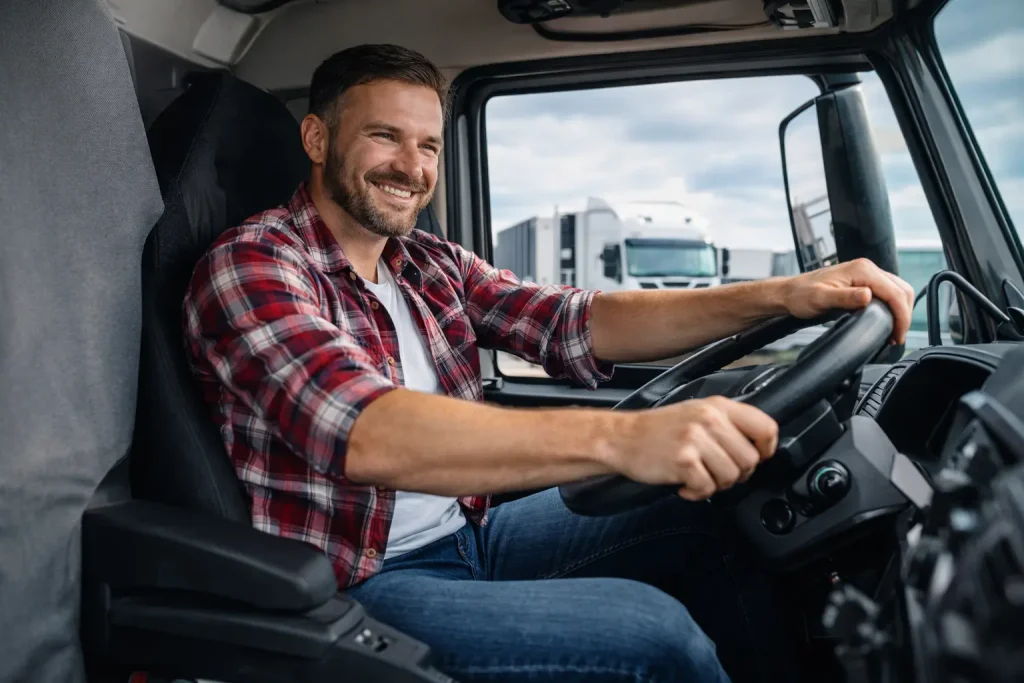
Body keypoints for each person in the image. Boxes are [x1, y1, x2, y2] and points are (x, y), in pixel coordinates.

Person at [182, 44, 915, 683]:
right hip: (362, 581)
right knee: (650, 634)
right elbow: (369, 430)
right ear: (316, 137)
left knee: (710, 512)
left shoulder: (427, 263)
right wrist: (626, 438)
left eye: (430, 145)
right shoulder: (252, 264)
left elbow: (580, 320)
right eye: (384, 137)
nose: (412, 166)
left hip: (468, 533)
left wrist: (783, 295)